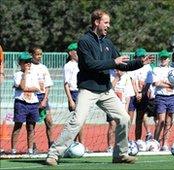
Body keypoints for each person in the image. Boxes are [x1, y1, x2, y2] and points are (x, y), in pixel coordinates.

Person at [46, 9, 154, 166]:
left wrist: (139, 62)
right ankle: (54, 154)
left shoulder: (107, 42)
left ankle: (120, 154)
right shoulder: (84, 41)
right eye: (106, 22)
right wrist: (113, 62)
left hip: (105, 89)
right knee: (77, 121)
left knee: (124, 118)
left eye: (109, 23)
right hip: (88, 89)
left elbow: (121, 64)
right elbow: (89, 64)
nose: (109, 26)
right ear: (96, 22)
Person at [11, 52, 40, 154]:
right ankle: (13, 150)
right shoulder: (17, 74)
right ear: (20, 63)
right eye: (26, 62)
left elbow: (37, 88)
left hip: (33, 103)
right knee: (18, 125)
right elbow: (22, 87)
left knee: (31, 127)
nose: (28, 64)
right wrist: (24, 75)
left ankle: (30, 149)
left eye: (29, 62)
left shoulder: (34, 74)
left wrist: (27, 88)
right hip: (21, 103)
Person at [63, 42, 87, 150]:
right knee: (77, 121)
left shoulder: (82, 64)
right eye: (75, 50)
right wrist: (70, 100)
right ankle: (77, 144)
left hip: (83, 92)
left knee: (81, 121)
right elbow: (66, 84)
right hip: (74, 93)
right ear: (70, 53)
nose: (78, 52)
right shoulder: (68, 66)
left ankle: (78, 145)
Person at [152, 50, 174, 151]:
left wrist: (173, 86)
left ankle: (165, 143)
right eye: (162, 58)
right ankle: (155, 141)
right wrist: (170, 85)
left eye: (165, 58)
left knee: (169, 121)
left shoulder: (173, 70)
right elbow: (156, 83)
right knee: (161, 121)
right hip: (161, 97)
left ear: (168, 59)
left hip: (172, 97)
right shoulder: (156, 69)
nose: (163, 60)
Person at [29, 47, 54, 148]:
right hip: (32, 98)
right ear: (32, 55)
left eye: (41, 54)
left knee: (49, 121)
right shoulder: (28, 67)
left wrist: (45, 99)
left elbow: (47, 85)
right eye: (37, 54)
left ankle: (51, 144)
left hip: (42, 97)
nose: (39, 57)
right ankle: (33, 146)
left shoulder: (44, 67)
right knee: (32, 124)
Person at [106, 69, 135, 152]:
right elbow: (109, 89)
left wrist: (125, 108)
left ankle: (122, 147)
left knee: (124, 126)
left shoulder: (126, 77)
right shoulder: (110, 74)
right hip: (111, 105)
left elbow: (128, 95)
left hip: (122, 106)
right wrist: (117, 77)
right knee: (112, 124)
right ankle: (110, 147)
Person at [130, 48, 154, 141]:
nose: (141, 59)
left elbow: (148, 82)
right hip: (132, 95)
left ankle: (138, 140)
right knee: (129, 119)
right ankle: (125, 140)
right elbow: (132, 80)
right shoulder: (133, 66)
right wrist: (136, 92)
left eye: (142, 57)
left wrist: (142, 93)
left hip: (143, 96)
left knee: (139, 119)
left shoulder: (148, 67)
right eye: (139, 57)